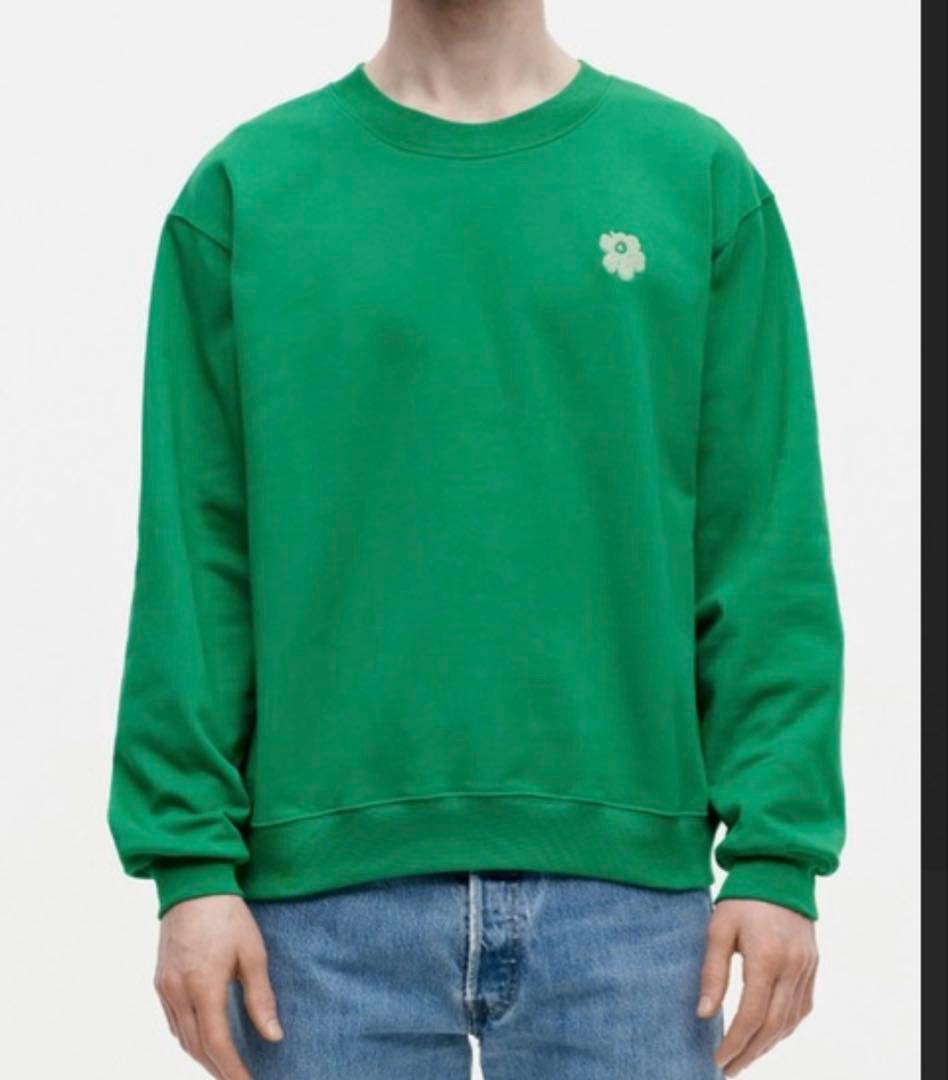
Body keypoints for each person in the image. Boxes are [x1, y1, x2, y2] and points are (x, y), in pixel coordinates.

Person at [106, 1, 846, 1077]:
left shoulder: (693, 180)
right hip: (317, 913)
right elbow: (195, 555)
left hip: (631, 909)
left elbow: (764, 544)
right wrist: (189, 866)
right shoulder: (249, 194)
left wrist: (780, 856)